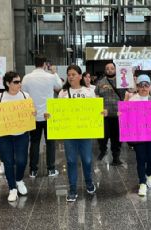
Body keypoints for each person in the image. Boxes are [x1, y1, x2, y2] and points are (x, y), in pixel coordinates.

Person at [46, 65, 102, 202]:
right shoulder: (63, 93)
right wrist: (50, 116)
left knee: (87, 160)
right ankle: (72, 189)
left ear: (80, 76)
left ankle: (89, 183)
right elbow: (58, 112)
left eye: (73, 74)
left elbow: (95, 111)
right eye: (68, 74)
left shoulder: (88, 92)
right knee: (71, 161)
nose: (70, 77)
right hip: (69, 133)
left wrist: (101, 112)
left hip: (85, 131)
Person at [0, 71, 33, 202]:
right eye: (16, 82)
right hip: (4, 135)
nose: (19, 84)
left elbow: (31, 111)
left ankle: (19, 180)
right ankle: (12, 188)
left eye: (19, 81)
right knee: (8, 161)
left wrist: (33, 113)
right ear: (7, 83)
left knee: (21, 160)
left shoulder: (25, 96)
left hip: (21, 134)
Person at [21, 56, 62, 178]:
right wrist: (54, 72)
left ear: (35, 64)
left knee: (34, 142)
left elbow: (23, 93)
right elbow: (59, 86)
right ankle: (51, 169)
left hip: (33, 115)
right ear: (45, 64)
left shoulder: (27, 78)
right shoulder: (50, 77)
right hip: (48, 115)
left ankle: (33, 170)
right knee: (50, 143)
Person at [125, 74, 151, 196]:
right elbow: (127, 117)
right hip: (138, 135)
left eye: (146, 85)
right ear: (137, 86)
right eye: (141, 85)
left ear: (150, 86)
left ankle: (149, 174)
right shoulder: (133, 100)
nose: (144, 88)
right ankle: (142, 183)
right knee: (140, 159)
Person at [95, 62, 127, 165]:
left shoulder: (122, 81)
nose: (109, 70)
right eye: (107, 68)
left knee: (117, 138)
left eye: (112, 68)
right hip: (104, 115)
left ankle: (116, 157)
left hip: (118, 114)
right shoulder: (100, 82)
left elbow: (129, 92)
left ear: (115, 69)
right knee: (102, 136)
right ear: (105, 70)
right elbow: (96, 96)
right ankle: (103, 150)